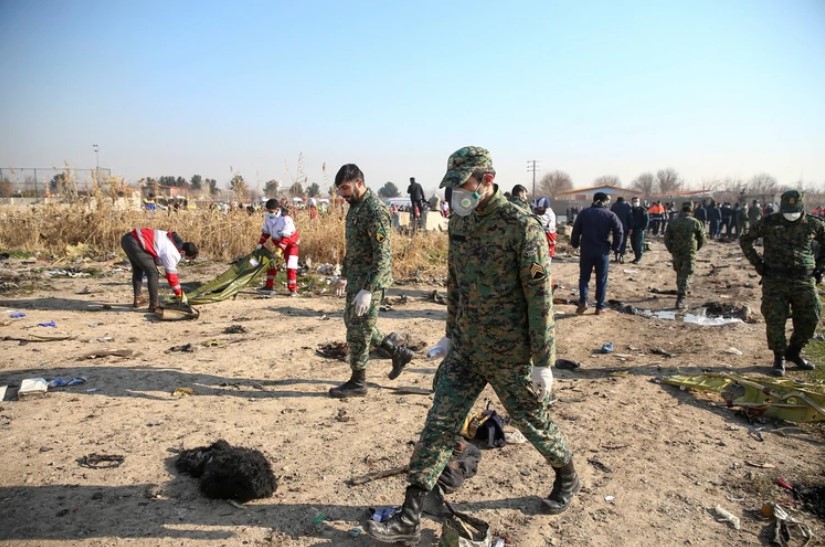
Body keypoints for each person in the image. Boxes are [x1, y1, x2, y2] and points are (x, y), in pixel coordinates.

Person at [366, 146, 579, 545]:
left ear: (486, 180)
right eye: (451, 187)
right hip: (466, 349)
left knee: (534, 422)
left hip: (509, 353)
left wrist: (542, 362)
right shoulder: (461, 223)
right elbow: (455, 283)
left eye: (462, 185)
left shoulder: (521, 226)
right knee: (439, 424)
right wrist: (449, 333)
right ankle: (409, 516)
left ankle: (567, 475)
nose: (456, 194)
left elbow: (540, 299)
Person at [330, 164, 414, 397]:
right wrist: (345, 276)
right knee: (354, 322)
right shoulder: (355, 208)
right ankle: (396, 352)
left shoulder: (375, 210)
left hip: (370, 281)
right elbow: (354, 248)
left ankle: (358, 382)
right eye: (340, 190)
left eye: (345, 188)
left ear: (359, 182)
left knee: (359, 332)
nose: (343, 194)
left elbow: (383, 255)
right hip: (356, 279)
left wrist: (368, 289)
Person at [740, 190, 823, 377]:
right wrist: (758, 263)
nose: (790, 217)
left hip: (804, 278)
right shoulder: (769, 222)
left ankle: (794, 351)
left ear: (801, 208)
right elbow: (745, 239)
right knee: (775, 319)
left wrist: (820, 269)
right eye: (787, 212)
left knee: (811, 315)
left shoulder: (814, 223)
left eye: (794, 213)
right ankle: (779, 357)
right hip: (775, 279)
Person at [570, 192, 623, 315]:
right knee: (601, 279)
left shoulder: (584, 213)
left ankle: (583, 300)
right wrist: (616, 247)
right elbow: (619, 231)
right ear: (604, 201)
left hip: (587, 250)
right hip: (603, 252)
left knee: (584, 278)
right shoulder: (611, 215)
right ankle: (599, 307)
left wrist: (575, 244)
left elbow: (576, 230)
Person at [120, 228, 198, 312]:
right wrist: (180, 294)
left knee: (138, 269)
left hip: (128, 239)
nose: (185, 260)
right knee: (153, 273)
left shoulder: (171, 241)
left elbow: (156, 255)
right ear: (183, 252)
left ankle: (138, 299)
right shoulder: (173, 253)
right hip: (135, 242)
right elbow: (172, 278)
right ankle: (154, 305)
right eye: (187, 258)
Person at [663, 202, 706, 309]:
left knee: (679, 272)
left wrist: (671, 249)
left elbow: (667, 238)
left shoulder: (673, 222)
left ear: (681, 209)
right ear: (691, 210)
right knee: (686, 273)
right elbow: (702, 239)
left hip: (676, 251)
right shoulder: (695, 222)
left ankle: (681, 291)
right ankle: (681, 298)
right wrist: (696, 249)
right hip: (689, 251)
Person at [256, 199, 300, 296]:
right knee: (272, 263)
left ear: (277, 209)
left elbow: (286, 237)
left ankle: (293, 290)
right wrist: (260, 243)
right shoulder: (268, 218)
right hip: (279, 243)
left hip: (291, 245)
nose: (269, 213)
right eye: (268, 211)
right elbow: (266, 232)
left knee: (291, 267)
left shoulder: (286, 219)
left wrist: (279, 250)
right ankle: (269, 286)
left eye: (271, 211)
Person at [610, 197, 632, 263]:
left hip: (615, 227)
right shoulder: (627, 206)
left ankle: (616, 256)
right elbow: (630, 217)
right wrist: (631, 227)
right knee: (623, 241)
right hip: (625, 227)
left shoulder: (614, 206)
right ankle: (621, 256)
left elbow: (611, 216)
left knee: (616, 241)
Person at [534, 196, 557, 261]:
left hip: (548, 238)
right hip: (546, 238)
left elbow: (539, 220)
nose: (538, 209)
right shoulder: (546, 212)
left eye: (540, 208)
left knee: (545, 261)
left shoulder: (548, 214)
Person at [628, 197, 649, 264]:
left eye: (637, 201)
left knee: (638, 245)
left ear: (639, 201)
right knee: (633, 244)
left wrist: (643, 228)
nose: (635, 202)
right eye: (634, 201)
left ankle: (638, 258)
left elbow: (646, 220)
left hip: (639, 230)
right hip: (632, 230)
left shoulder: (643, 210)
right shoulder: (630, 209)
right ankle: (636, 257)